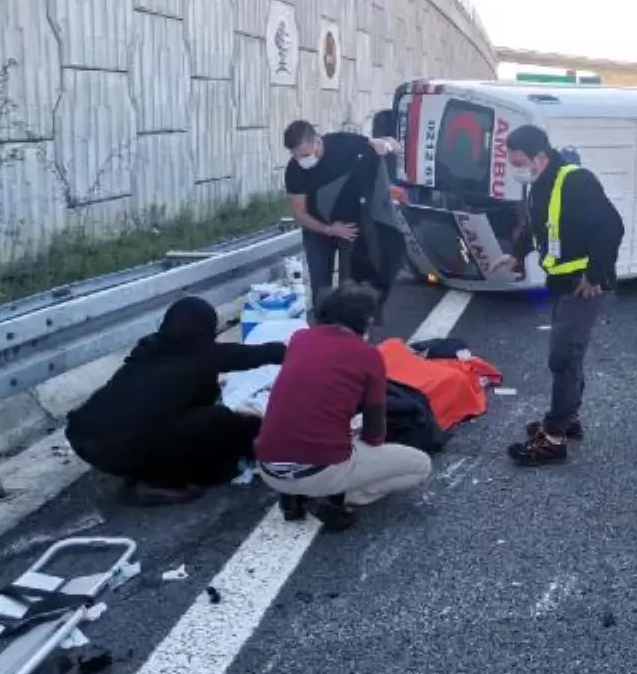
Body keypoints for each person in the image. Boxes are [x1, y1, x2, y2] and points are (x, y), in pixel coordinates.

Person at [490, 124, 625, 467]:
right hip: (563, 282)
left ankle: (553, 438)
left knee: (563, 357)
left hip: (584, 285)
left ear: (540, 156)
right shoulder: (540, 183)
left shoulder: (576, 181)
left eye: (520, 161)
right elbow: (537, 227)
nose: (517, 168)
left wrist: (595, 274)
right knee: (569, 356)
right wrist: (517, 254)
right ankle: (568, 419)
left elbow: (612, 226)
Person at [65, 297, 286, 505]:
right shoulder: (201, 354)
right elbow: (253, 354)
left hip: (84, 437)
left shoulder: (149, 350)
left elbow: (156, 395)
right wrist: (296, 350)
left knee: (168, 423)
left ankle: (139, 468)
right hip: (123, 446)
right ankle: (155, 481)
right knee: (219, 420)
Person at [255, 283, 432, 531]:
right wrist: (357, 435)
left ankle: (301, 493)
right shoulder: (368, 355)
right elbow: (374, 435)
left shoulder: (299, 339)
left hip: (268, 468)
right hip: (321, 470)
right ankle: (335, 495)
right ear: (366, 320)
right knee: (420, 467)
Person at [283, 120, 404, 307]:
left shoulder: (344, 142)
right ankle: (321, 327)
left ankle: (347, 328)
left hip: (351, 229)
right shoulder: (294, 170)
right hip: (317, 230)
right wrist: (329, 229)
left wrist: (385, 145)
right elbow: (299, 214)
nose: (302, 160)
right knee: (320, 286)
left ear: (317, 140)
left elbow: (394, 146)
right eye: (296, 156)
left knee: (350, 287)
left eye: (305, 154)